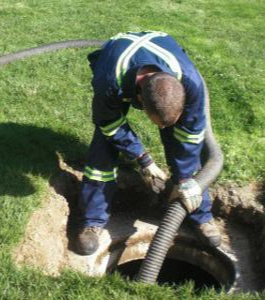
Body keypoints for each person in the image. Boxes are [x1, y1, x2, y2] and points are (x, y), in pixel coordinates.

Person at [76, 31, 221, 255]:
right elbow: (109, 124)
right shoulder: (109, 81)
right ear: (139, 99)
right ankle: (92, 221)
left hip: (161, 56)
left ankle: (201, 216)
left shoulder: (191, 82)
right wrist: (143, 159)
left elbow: (191, 137)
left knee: (184, 151)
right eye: (158, 124)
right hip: (118, 62)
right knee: (103, 148)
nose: (162, 129)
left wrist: (185, 181)